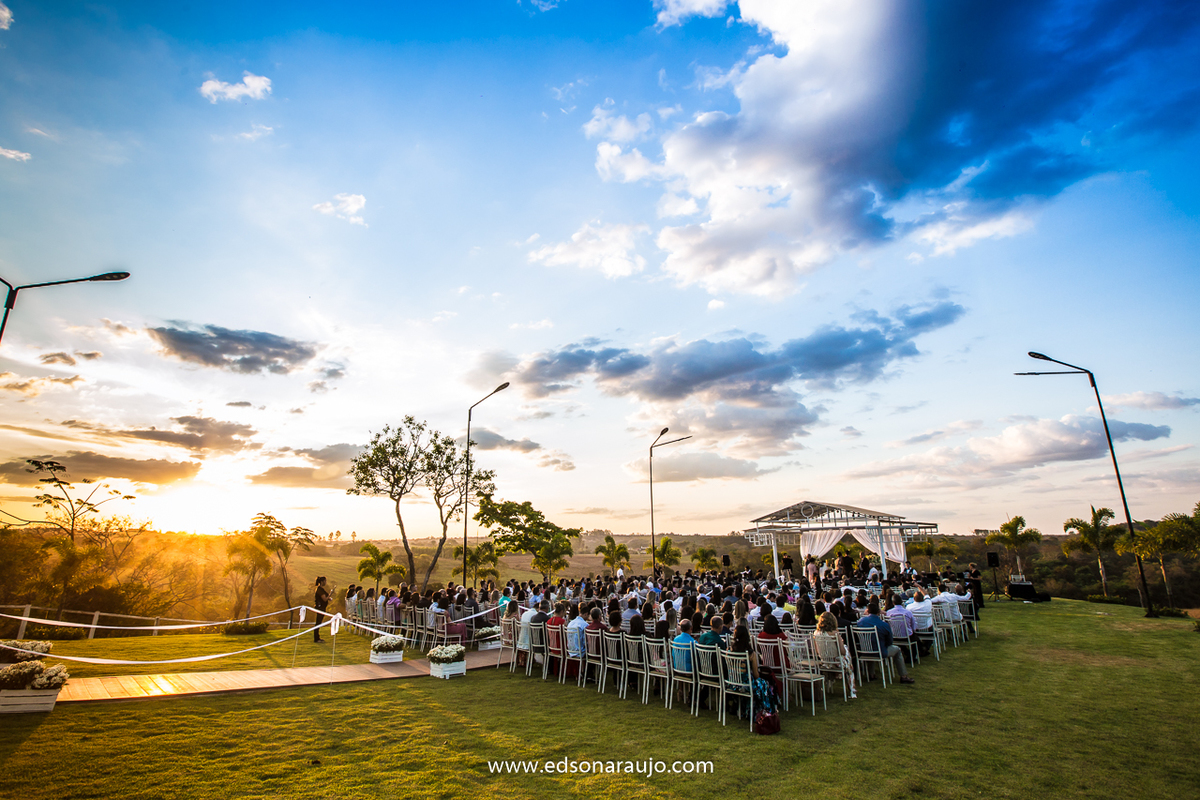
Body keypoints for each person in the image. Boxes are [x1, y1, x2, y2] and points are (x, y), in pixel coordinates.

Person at [856, 599, 914, 684]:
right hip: (880, 651)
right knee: (897, 650)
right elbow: (890, 641)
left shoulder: (860, 622)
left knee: (872, 645)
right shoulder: (884, 625)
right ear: (879, 612)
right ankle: (903, 676)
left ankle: (871, 674)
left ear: (867, 611)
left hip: (864, 650)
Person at [814, 611, 857, 699]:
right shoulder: (835, 634)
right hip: (836, 662)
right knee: (848, 660)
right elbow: (842, 652)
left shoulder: (816, 633)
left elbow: (816, 651)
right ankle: (852, 689)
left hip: (824, 661)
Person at [313, 576, 330, 643]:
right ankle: (316, 638)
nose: (326, 582)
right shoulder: (319, 590)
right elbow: (324, 599)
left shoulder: (321, 589)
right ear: (322, 582)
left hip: (322, 607)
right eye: (325, 581)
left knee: (319, 623)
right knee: (318, 623)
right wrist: (329, 595)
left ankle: (317, 637)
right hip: (320, 608)